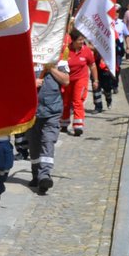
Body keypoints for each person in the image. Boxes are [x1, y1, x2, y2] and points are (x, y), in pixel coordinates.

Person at [29, 58, 69, 194]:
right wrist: (31, 84)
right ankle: (36, 174)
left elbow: (66, 80)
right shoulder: (27, 54)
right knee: (34, 145)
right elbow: (14, 81)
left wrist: (51, 68)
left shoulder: (60, 58)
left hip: (52, 110)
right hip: (31, 111)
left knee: (48, 141)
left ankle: (44, 175)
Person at [61, 30, 95, 136]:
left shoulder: (86, 51)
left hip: (81, 79)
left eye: (82, 39)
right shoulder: (66, 50)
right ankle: (64, 123)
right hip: (67, 79)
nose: (82, 42)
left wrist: (96, 80)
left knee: (77, 100)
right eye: (79, 40)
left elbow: (92, 65)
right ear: (73, 41)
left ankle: (78, 126)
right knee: (65, 101)